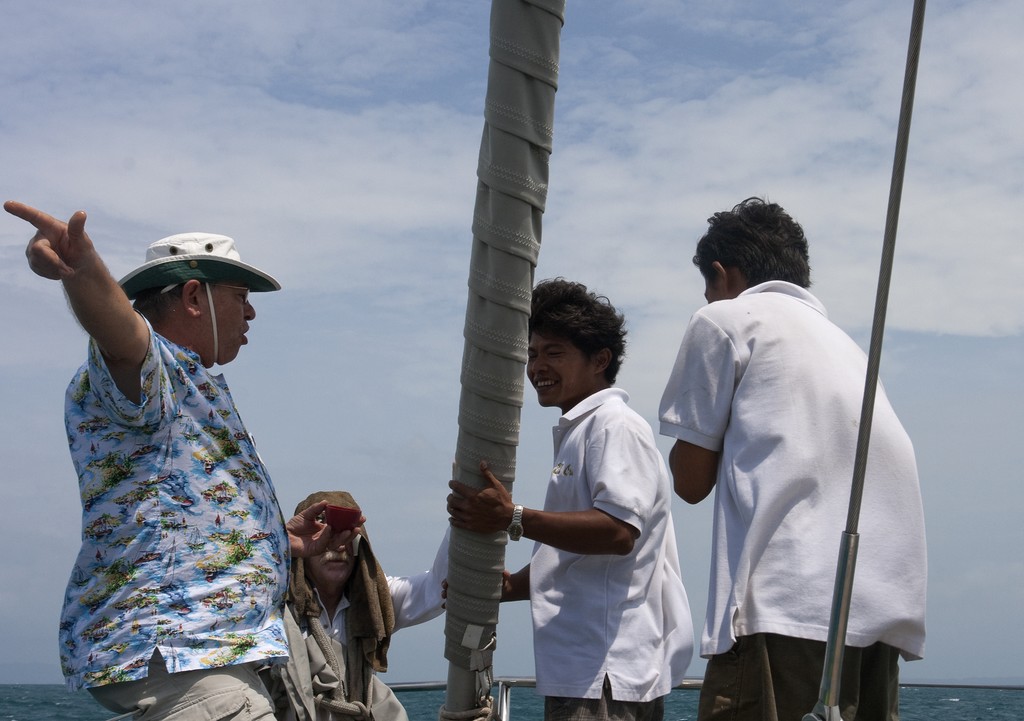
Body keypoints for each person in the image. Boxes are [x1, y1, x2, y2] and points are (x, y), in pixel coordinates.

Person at [6, 200, 353, 720]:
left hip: (207, 659)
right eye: (240, 297)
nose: (252, 312)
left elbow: (178, 510)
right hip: (186, 657)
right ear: (195, 296)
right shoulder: (154, 370)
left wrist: (281, 538)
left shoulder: (186, 386)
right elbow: (123, 340)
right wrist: (83, 272)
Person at [658, 197, 927, 720]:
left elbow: (689, 482)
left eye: (708, 286)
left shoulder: (726, 320)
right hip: (876, 613)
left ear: (722, 273)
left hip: (783, 607)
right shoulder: (847, 348)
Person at [448, 278, 693, 721]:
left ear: (600, 359)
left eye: (554, 352)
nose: (537, 365)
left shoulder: (614, 426)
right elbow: (574, 562)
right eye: (532, 352)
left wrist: (511, 517)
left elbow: (618, 533)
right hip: (582, 669)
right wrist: (508, 587)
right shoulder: (581, 432)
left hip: (604, 672)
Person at [264, 491, 449, 721]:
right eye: (325, 536)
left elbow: (437, 586)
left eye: (347, 536)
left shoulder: (376, 605)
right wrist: (278, 544)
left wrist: (463, 512)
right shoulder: (269, 605)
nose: (338, 547)